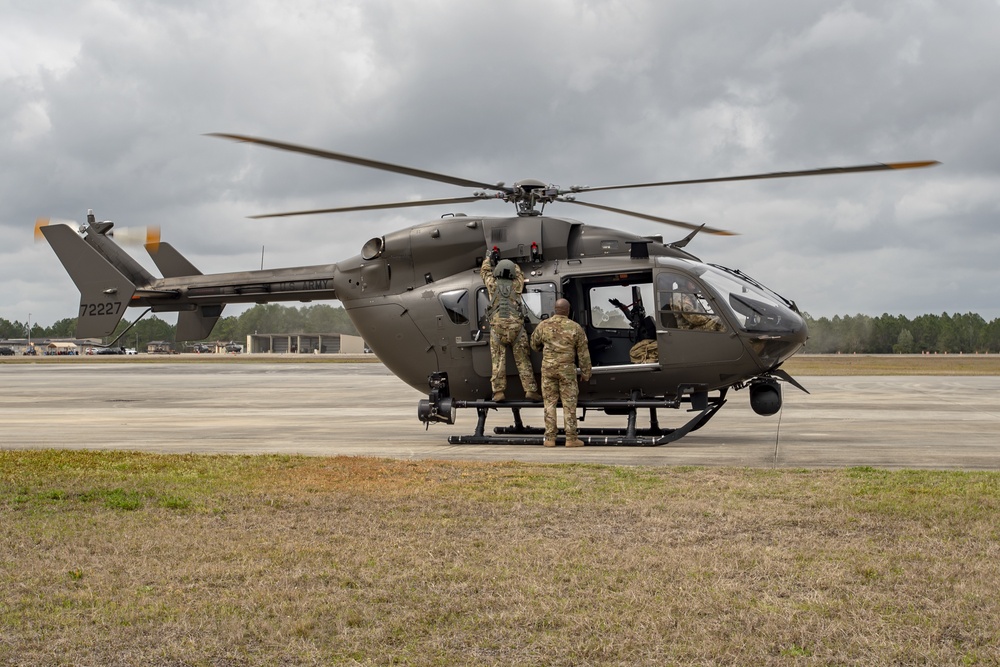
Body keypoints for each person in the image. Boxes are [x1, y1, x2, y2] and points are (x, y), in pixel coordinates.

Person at [530, 298, 592, 447]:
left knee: (549, 403)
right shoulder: (575, 327)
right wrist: (586, 372)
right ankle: (571, 438)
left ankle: (550, 438)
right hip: (567, 371)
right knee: (569, 404)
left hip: (548, 369)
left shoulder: (543, 325)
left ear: (555, 310)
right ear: (568, 310)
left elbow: (533, 344)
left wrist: (545, 350)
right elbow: (583, 352)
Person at [480, 252, 541, 402]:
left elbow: (484, 271)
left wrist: (488, 259)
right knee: (524, 360)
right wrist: (514, 263)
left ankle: (499, 392)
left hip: (497, 329)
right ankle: (531, 390)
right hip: (517, 329)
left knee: (498, 361)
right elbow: (519, 273)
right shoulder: (517, 284)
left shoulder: (492, 284)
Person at [608, 297, 659, 363]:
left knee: (633, 353)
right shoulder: (640, 323)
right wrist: (620, 305)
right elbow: (628, 314)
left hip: (648, 345)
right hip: (643, 345)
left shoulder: (647, 325)